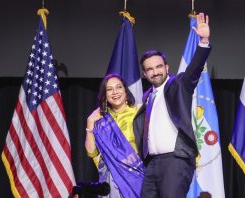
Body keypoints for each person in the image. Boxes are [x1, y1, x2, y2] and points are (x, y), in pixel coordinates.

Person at [133, 12, 211, 198]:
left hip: (175, 161)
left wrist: (204, 41)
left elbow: (194, 70)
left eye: (159, 67)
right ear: (145, 74)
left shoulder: (179, 85)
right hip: (152, 163)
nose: (155, 72)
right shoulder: (147, 97)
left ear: (166, 67)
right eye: (150, 69)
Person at [85, 73, 145, 198]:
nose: (115, 92)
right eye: (109, 89)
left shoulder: (139, 112)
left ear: (125, 90)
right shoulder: (100, 119)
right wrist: (90, 122)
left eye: (118, 87)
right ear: (105, 95)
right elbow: (91, 152)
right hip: (111, 177)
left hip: (136, 175)